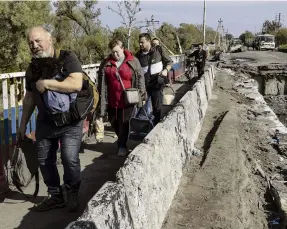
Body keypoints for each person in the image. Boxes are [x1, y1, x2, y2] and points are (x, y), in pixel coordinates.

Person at [18, 26, 84, 212]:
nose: (34, 45)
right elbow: (30, 97)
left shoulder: (67, 58)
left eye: (38, 41)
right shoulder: (32, 68)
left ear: (50, 39)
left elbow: (76, 83)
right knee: (44, 160)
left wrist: (47, 83)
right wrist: (22, 124)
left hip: (70, 120)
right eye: (31, 42)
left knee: (69, 158)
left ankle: (72, 193)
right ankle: (55, 196)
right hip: (45, 121)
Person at [98, 38, 146, 157]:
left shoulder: (133, 61)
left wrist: (142, 93)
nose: (115, 54)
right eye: (113, 52)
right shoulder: (106, 63)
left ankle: (122, 146)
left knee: (124, 122)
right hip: (112, 99)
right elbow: (101, 82)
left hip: (128, 99)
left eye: (117, 51)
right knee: (114, 121)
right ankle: (122, 140)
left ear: (123, 49)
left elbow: (140, 78)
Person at [136, 33, 173, 125]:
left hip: (157, 83)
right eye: (139, 42)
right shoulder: (138, 55)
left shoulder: (158, 50)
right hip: (144, 85)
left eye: (142, 42)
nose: (140, 44)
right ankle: (144, 125)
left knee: (157, 107)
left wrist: (165, 70)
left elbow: (169, 62)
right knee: (142, 105)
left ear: (148, 41)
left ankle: (156, 125)